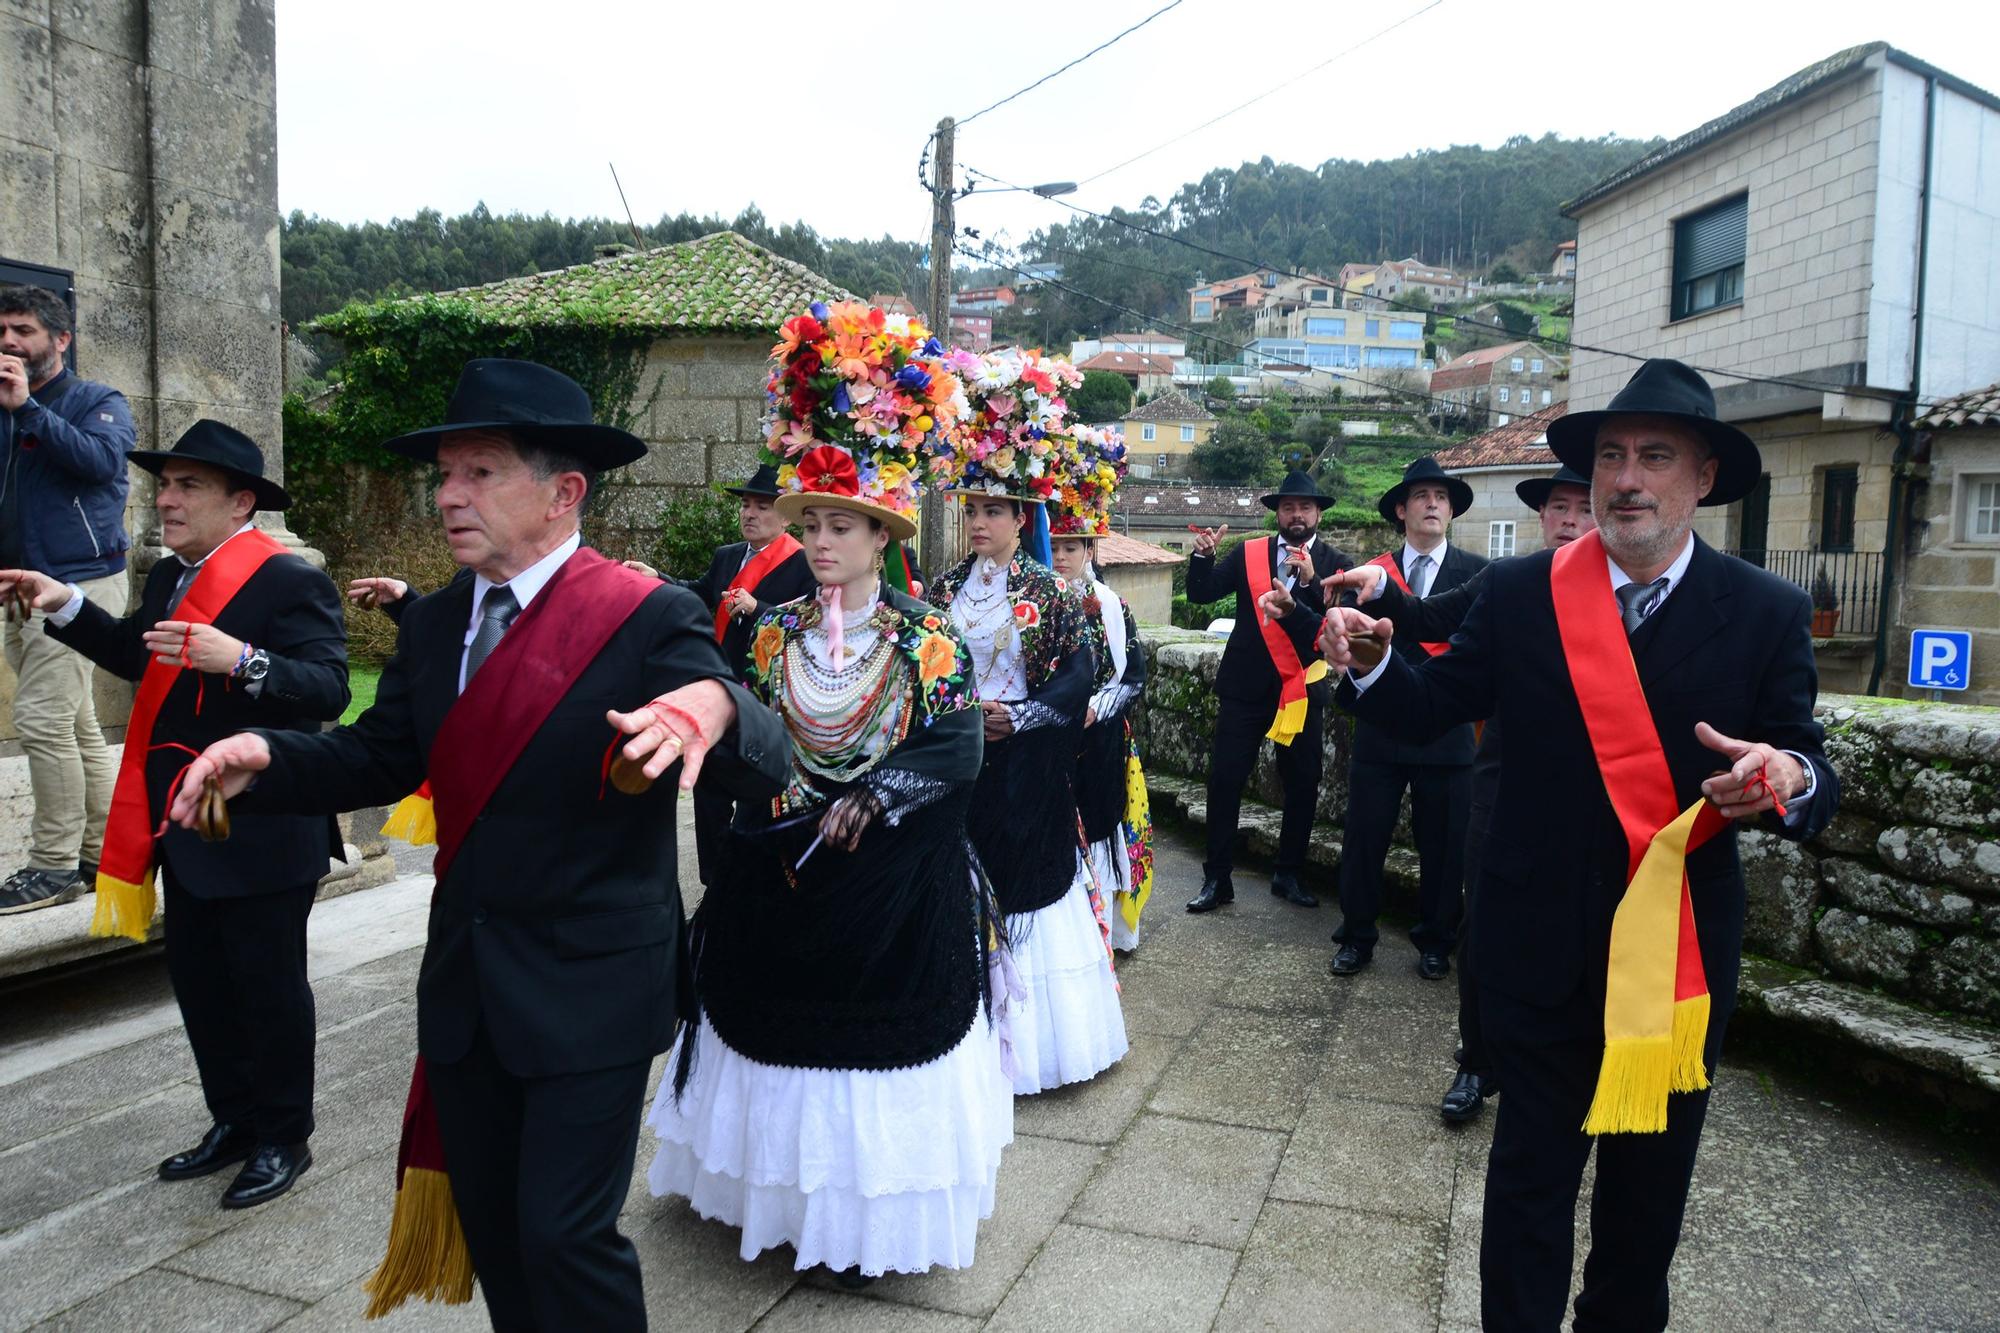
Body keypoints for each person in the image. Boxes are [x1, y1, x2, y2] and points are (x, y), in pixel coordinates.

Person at [165, 358, 791, 1328]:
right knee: (496, 1226)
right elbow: (381, 755)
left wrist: (714, 701)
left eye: (481, 472)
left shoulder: (643, 613)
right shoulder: (439, 620)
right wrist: (266, 755)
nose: (450, 495)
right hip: (467, 977)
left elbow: (762, 746)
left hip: (593, 985)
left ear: (564, 491)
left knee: (563, 1236)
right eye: (445, 474)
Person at [1318, 359, 1838, 1330]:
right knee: (1525, 1192)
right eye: (1608, 457)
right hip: (1534, 942)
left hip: (1673, 966)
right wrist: (1375, 663)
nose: (1625, 478)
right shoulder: (1521, 593)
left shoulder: (1763, 611)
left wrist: (1785, 776)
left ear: (1702, 479)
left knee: (1642, 1212)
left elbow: (1807, 761)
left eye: (1652, 456)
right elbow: (1436, 702)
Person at [649, 314, 1011, 1283]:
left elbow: (956, 740)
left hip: (889, 883)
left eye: (837, 525)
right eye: (807, 524)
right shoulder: (768, 633)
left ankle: (865, 1224)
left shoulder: (929, 636)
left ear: (878, 536)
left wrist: (877, 796)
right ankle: (777, 1196)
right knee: (770, 1030)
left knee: (874, 1049)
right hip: (779, 867)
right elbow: (749, 723)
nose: (817, 540)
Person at [1, 420, 348, 1206]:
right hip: (185, 827)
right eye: (164, 484)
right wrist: (63, 605)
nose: (166, 499)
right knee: (202, 986)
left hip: (262, 826)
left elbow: (328, 687)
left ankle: (284, 1136)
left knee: (269, 991)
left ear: (242, 502)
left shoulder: (288, 581)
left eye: (188, 485)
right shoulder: (167, 577)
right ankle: (233, 1119)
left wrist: (246, 660)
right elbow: (137, 654)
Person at [1308, 464, 1594, 1124]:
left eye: (1584, 507)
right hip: (1502, 780)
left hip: (1597, 799)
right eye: (1558, 506)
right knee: (1486, 927)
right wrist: (1379, 591)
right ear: (1542, 517)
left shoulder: (1643, 597)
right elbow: (1423, 615)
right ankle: (1477, 1061)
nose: (1571, 519)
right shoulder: (1508, 583)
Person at [928, 345, 1125, 1096]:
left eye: (993, 511)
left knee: (1025, 892)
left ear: (1021, 516)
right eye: (971, 509)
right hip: (961, 761)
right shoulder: (943, 587)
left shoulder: (1048, 589)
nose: (978, 521)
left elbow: (1082, 674)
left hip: (1025, 768)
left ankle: (1030, 1046)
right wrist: (960, 716)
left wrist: (1025, 713)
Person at [0, 284, 135, 914]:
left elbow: (102, 464)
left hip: (78, 580)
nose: (8, 342)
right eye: (2, 331)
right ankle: (99, 851)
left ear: (60, 339)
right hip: (18, 583)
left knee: (42, 719)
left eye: (23, 331)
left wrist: (29, 409)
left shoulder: (96, 401)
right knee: (76, 722)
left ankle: (52, 866)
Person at [1329, 456, 1487, 978]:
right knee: (1364, 838)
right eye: (1422, 495)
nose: (1434, 503)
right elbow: (1351, 645)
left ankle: (1437, 941)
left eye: (1442, 497)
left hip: (1448, 734)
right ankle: (1355, 936)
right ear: (1401, 509)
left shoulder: (1480, 575)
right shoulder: (1373, 573)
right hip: (1381, 727)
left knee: (1445, 848)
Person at [1183, 470, 1351, 914]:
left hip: (1300, 687)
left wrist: (1315, 583)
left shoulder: (1337, 563)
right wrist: (1202, 557)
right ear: (1277, 512)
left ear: (1318, 514)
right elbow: (1200, 594)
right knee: (1224, 781)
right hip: (1244, 687)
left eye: (1306, 507)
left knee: (1303, 783)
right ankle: (1217, 878)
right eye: (1289, 507)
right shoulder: (1249, 553)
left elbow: (1340, 626)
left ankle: (1288, 873)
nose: (1297, 515)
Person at [652, 463, 813, 888]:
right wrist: (658, 581)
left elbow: (811, 620)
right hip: (721, 691)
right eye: (745, 505)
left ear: (784, 517)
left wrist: (759, 610)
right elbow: (701, 592)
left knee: (756, 798)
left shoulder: (802, 562)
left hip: (769, 698)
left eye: (762, 506)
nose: (750, 514)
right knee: (708, 794)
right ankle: (713, 885)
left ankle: (749, 888)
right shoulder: (727, 557)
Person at [1047, 427, 1153, 953]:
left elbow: (1131, 675)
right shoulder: (1037, 605)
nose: (1062, 557)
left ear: (1090, 547)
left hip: (1101, 739)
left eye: (1072, 547)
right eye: (1056, 546)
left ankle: (1105, 934)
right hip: (1049, 738)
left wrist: (1095, 706)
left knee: (1102, 830)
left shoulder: (1112, 608)